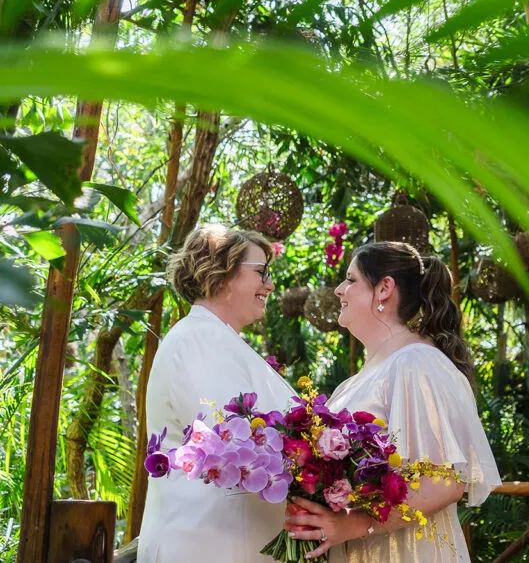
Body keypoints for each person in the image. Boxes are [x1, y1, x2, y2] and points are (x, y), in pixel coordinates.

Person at [285, 241, 501, 562]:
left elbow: (444, 483)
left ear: (384, 288)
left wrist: (353, 524)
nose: (339, 290)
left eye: (351, 279)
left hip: (408, 551)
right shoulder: (354, 382)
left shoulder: (416, 361)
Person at [138, 223, 295, 563]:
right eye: (261, 272)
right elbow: (234, 445)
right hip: (209, 545)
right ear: (222, 274)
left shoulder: (217, 339)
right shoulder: (200, 339)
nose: (269, 285)